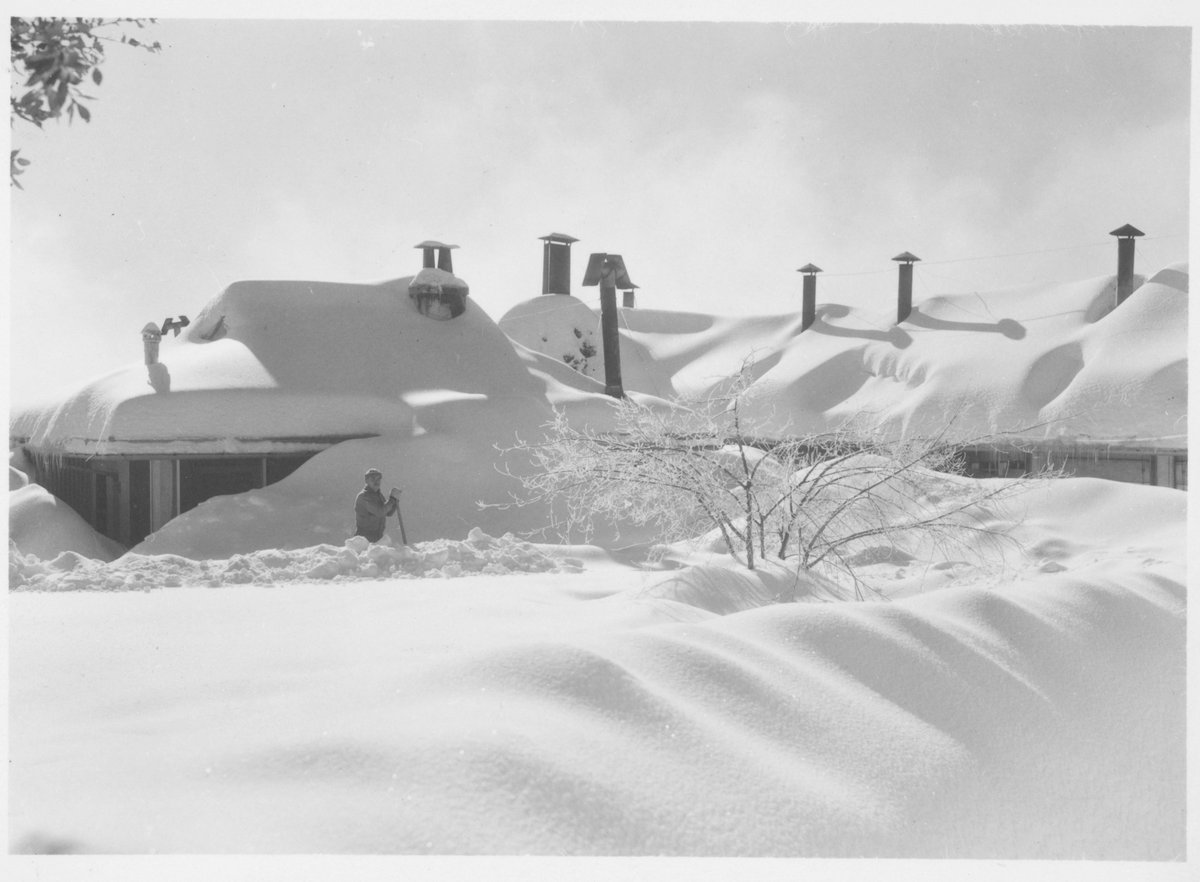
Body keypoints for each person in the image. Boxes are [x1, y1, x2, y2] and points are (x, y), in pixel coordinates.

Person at [354, 468, 399, 542]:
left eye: (378, 479)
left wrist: (395, 501)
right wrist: (392, 500)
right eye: (373, 478)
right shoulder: (363, 496)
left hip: (377, 538)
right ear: (366, 481)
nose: (376, 481)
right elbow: (380, 512)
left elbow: (388, 512)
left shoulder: (378, 495)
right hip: (364, 540)